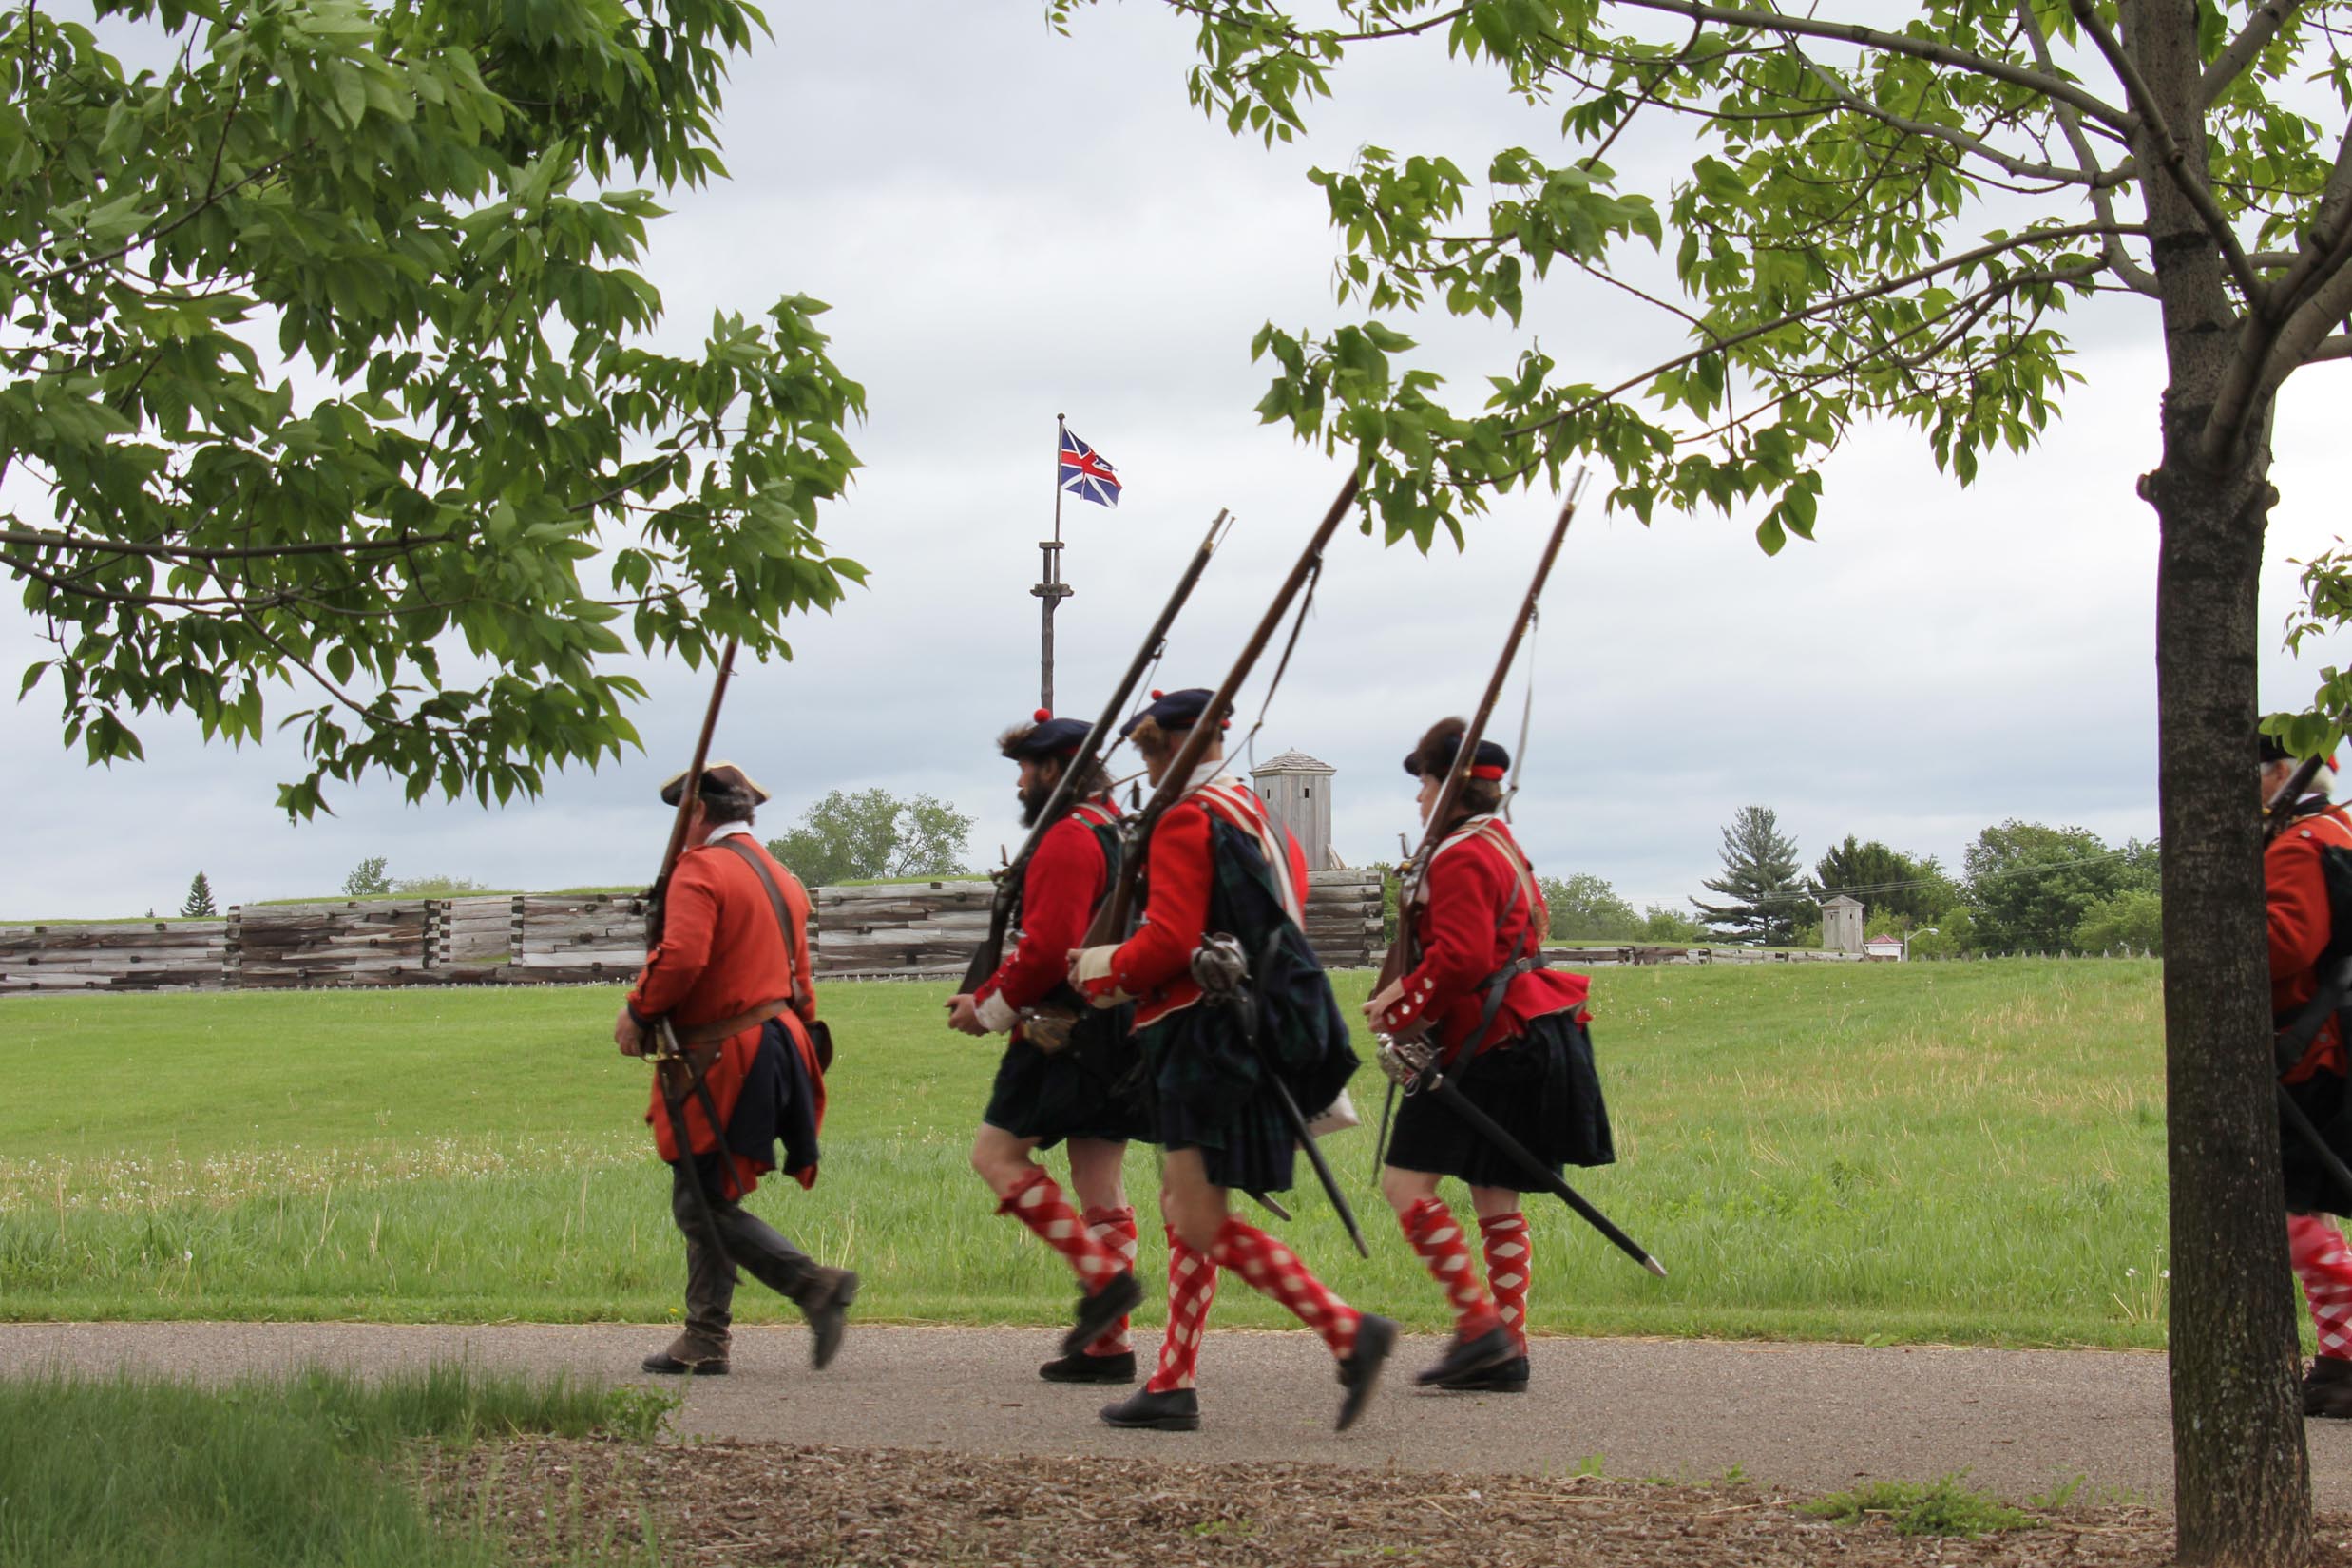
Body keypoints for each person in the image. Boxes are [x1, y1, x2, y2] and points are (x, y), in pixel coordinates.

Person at [1071, 687, 1394, 1433]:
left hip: (1200, 1035)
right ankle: (1173, 1379)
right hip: (1244, 1028)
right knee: (1186, 1213)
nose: (1142, 772)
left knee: (1199, 1218)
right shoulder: (1256, 815)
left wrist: (1098, 968)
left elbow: (1170, 942)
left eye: (1146, 755)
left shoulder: (1186, 818)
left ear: (1159, 750)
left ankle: (1347, 1330)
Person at [1367, 718, 1614, 1394]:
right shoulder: (1500, 843)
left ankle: (1482, 1330)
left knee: (1404, 1188)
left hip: (1484, 1045)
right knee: (1494, 1198)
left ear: (1449, 789)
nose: (1417, 799)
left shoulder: (1460, 854)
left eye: (1424, 782)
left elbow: (1463, 959)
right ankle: (1507, 1346)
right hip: (1516, 1037)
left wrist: (1399, 1008)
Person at [615, 761, 858, 1377]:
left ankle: (811, 1285)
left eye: (681, 816)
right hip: (779, 1044)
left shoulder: (698, 870)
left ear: (696, 813)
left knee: (699, 1204)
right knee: (710, 1189)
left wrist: (637, 1010)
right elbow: (801, 983)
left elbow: (681, 958)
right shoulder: (781, 875)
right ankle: (704, 1338)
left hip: (727, 1050)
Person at [947, 710, 1150, 1384]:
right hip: (1116, 1020)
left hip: (1060, 1028)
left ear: (1055, 769)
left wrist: (988, 1009)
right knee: (1100, 1182)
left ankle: (1100, 1281)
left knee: (997, 1156)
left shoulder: (1067, 837)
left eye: (1026, 771)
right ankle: (1109, 1348)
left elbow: (1044, 951)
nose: (1019, 786)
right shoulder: (1120, 830)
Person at [2263, 732, 2352, 1417]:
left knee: (2291, 1210)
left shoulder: (2296, 845)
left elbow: (2283, 946)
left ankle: (2343, 1359)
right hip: (2332, 1046)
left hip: (2311, 1053)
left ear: (2279, 775)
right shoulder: (2337, 828)